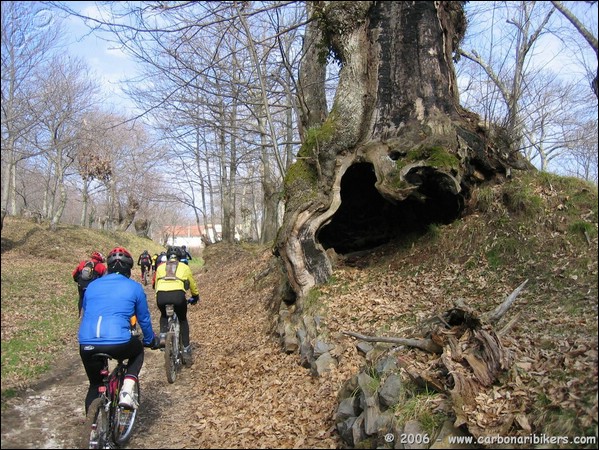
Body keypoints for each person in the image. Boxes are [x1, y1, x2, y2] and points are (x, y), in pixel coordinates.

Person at [78, 246, 159, 413]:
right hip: (118, 341)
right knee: (137, 351)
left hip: (86, 343)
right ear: (129, 268)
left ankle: (93, 429)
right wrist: (150, 340)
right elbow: (143, 318)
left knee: (95, 384)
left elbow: (86, 310)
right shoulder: (134, 287)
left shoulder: (92, 286)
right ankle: (128, 389)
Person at [154, 245, 200, 366]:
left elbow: (156, 284)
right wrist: (195, 296)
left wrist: (158, 297)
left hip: (161, 296)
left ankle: (163, 336)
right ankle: (186, 350)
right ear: (180, 257)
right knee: (183, 320)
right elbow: (191, 284)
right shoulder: (184, 267)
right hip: (178, 296)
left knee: (164, 315)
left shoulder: (160, 267)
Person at [72, 251, 107, 317]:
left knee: (81, 299)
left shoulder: (83, 263)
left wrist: (79, 281)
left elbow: (74, 274)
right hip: (93, 287)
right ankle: (92, 315)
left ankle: (80, 315)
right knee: (93, 300)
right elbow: (106, 278)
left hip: (81, 285)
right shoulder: (101, 266)